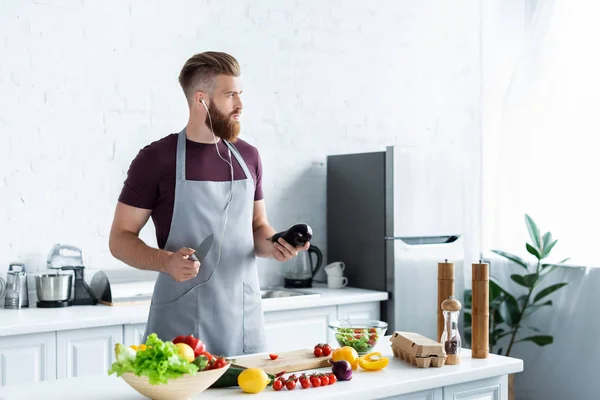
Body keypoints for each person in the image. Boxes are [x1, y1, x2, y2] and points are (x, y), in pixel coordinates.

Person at [108, 51, 309, 356]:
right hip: (180, 322)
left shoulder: (249, 157)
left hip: (243, 320)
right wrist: (166, 261)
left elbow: (256, 226)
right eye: (230, 95)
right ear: (201, 99)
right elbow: (119, 238)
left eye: (240, 94)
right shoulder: (156, 159)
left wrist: (274, 244)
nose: (240, 105)